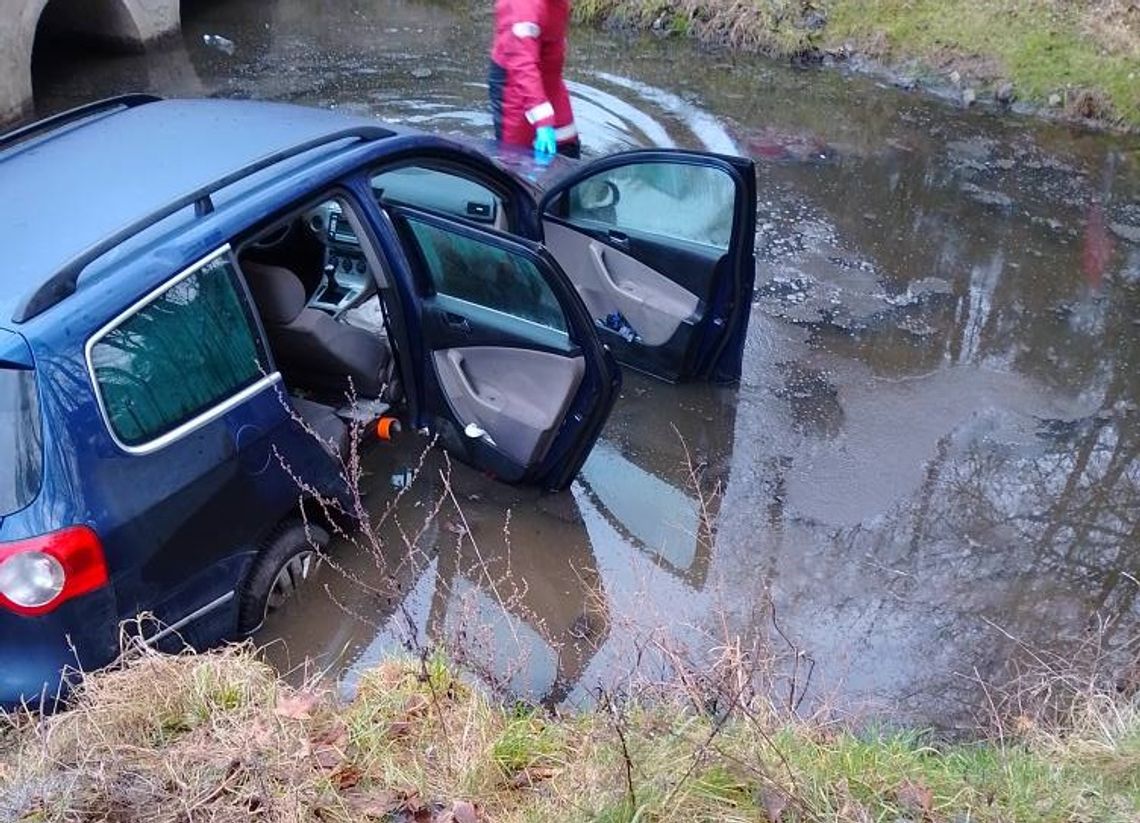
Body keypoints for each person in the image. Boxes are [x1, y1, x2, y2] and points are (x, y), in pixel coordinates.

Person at [489, 0, 581, 159]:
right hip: (514, 85)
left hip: (549, 79)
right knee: (516, 159)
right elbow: (521, 64)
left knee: (567, 145)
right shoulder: (524, 5)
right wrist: (543, 121)